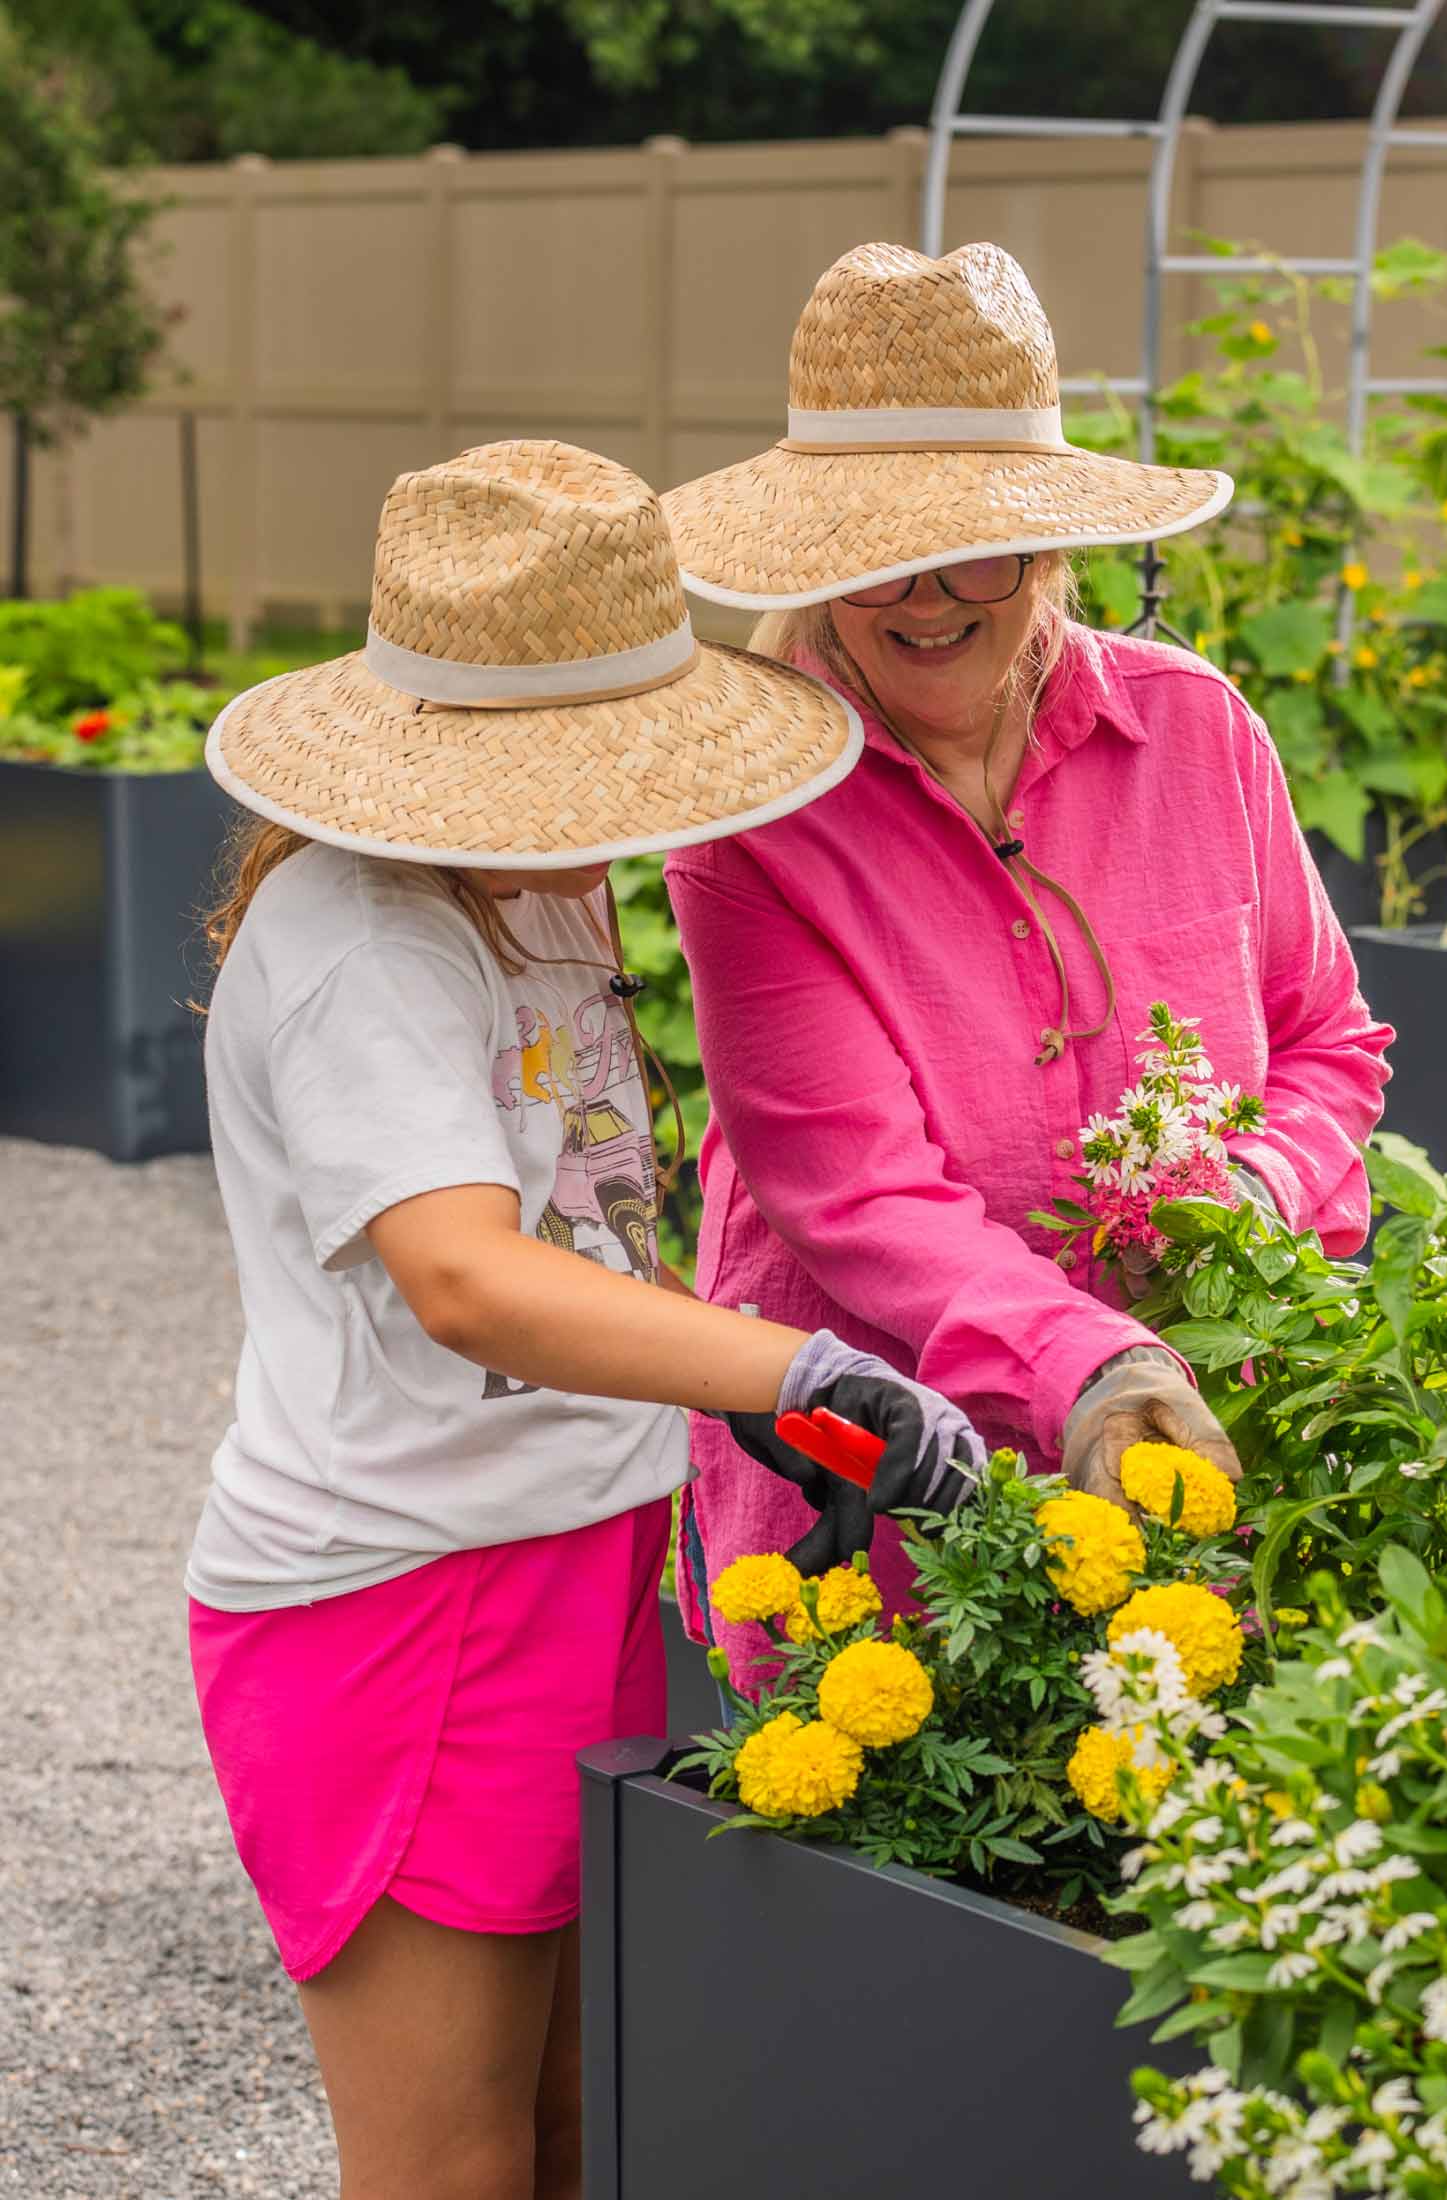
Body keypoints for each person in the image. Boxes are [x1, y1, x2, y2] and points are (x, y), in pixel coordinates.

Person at [187, 440, 983, 2200]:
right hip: (395, 1600)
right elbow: (469, 1274)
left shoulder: (528, 876)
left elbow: (576, 1207)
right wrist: (789, 1366)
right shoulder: (361, 939)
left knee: (572, 2127)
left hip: (564, 1550)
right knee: (449, 2163)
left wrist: (722, 1400)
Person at [658, 242, 1392, 1684]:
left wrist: (1240, 1207)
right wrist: (1094, 1365)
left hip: (1191, 1445)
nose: (928, 600)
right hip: (881, 1480)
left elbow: (1326, 1043)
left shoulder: (1195, 733)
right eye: (878, 562)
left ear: (1054, 540)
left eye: (976, 550)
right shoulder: (753, 817)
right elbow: (855, 1196)